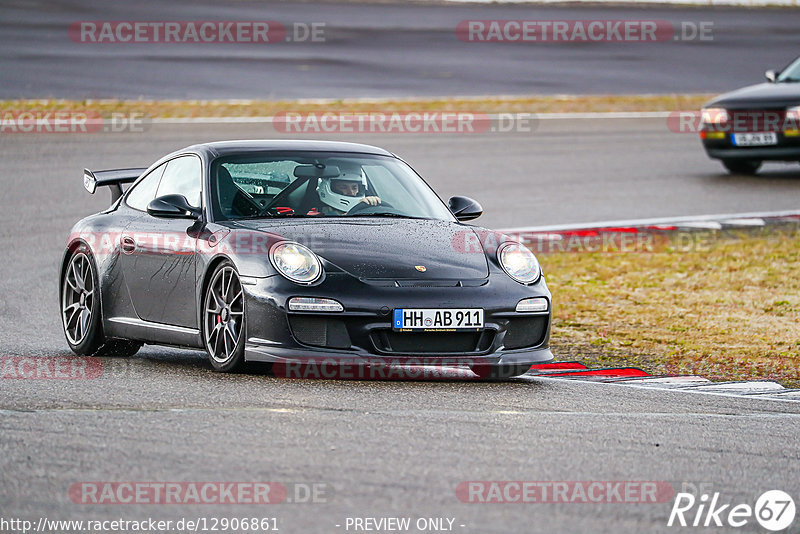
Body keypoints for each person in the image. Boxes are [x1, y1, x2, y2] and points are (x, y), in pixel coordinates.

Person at [316, 170, 381, 215]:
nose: (351, 192)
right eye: (343, 187)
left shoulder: (365, 207)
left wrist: (372, 205)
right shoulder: (320, 218)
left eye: (354, 188)